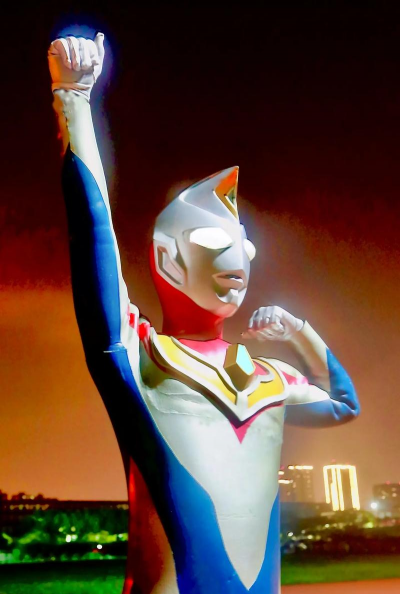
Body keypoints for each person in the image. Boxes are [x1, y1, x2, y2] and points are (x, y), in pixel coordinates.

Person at [48, 32, 360, 594]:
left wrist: (298, 332)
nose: (239, 258)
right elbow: (94, 233)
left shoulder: (269, 377)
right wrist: (74, 99)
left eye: (244, 245)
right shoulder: (142, 356)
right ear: (167, 258)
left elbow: (344, 404)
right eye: (216, 241)